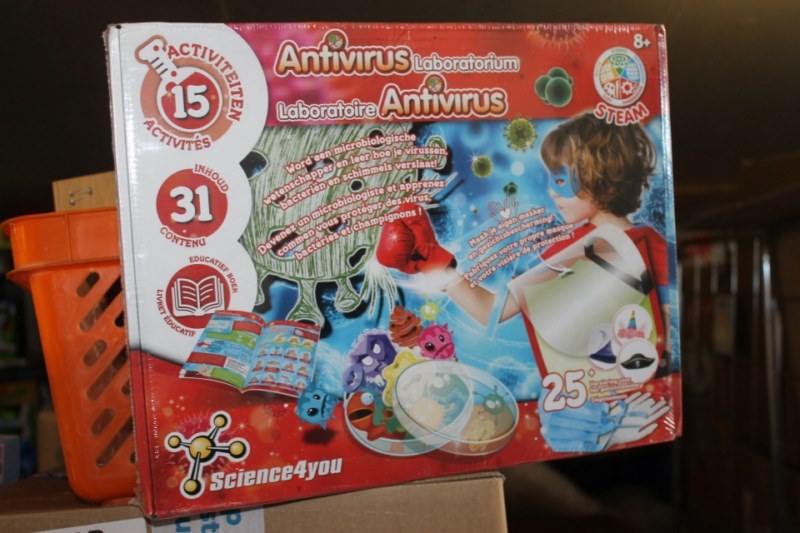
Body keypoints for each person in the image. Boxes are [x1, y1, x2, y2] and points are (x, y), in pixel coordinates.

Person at [376, 113, 670, 360]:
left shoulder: (650, 246)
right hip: (579, 386)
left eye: (560, 179)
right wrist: (434, 261)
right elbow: (492, 311)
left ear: (601, 176)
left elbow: (667, 335)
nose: (552, 191)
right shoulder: (567, 246)